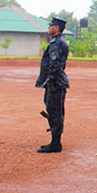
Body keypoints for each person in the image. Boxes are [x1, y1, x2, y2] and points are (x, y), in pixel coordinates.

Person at [34, 17, 69, 153]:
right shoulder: (61, 41)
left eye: (51, 26)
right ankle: (55, 141)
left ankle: (55, 144)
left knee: (54, 112)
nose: (49, 28)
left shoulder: (56, 43)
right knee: (55, 110)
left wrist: (50, 80)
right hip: (57, 81)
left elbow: (54, 64)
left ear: (57, 28)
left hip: (55, 82)